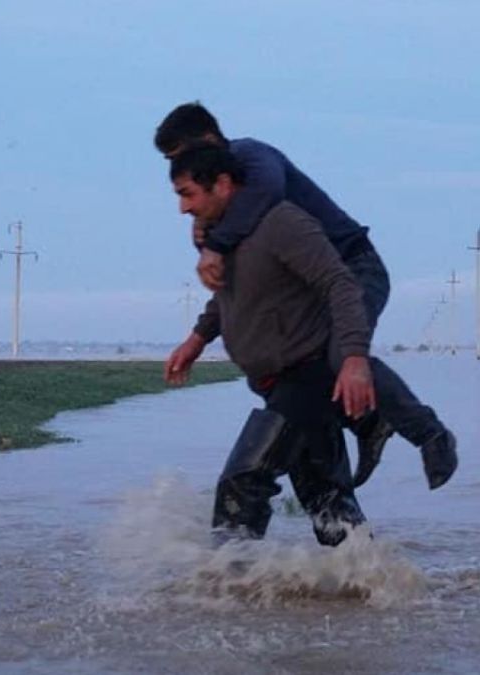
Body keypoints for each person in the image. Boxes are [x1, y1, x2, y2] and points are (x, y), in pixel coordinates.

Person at [156, 102, 457, 490]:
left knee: (340, 352)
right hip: (306, 286)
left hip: (352, 266)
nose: (177, 170)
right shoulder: (229, 219)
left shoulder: (252, 160)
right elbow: (237, 292)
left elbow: (269, 190)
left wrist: (215, 242)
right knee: (307, 386)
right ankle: (361, 433)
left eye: (181, 157)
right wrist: (199, 335)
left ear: (210, 143)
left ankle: (429, 434)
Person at [164, 144, 372, 545]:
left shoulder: (280, 223)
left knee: (242, 484)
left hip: (307, 377)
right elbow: (233, 297)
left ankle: (225, 596)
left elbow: (341, 283)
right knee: (329, 503)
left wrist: (354, 358)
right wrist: (198, 337)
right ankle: (371, 591)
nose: (182, 209)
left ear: (222, 184)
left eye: (188, 194)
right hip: (280, 384)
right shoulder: (229, 238)